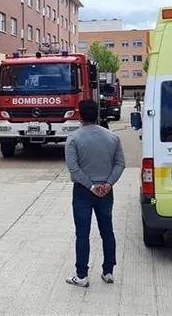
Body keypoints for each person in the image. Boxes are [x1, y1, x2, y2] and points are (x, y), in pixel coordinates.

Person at [64, 99, 125, 286]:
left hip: (83, 192)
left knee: (82, 232)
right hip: (106, 192)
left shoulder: (73, 139)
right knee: (107, 230)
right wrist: (107, 184)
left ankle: (81, 275)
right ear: (97, 115)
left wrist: (91, 186)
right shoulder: (112, 137)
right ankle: (108, 271)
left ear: (79, 115)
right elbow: (120, 164)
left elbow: (73, 169)